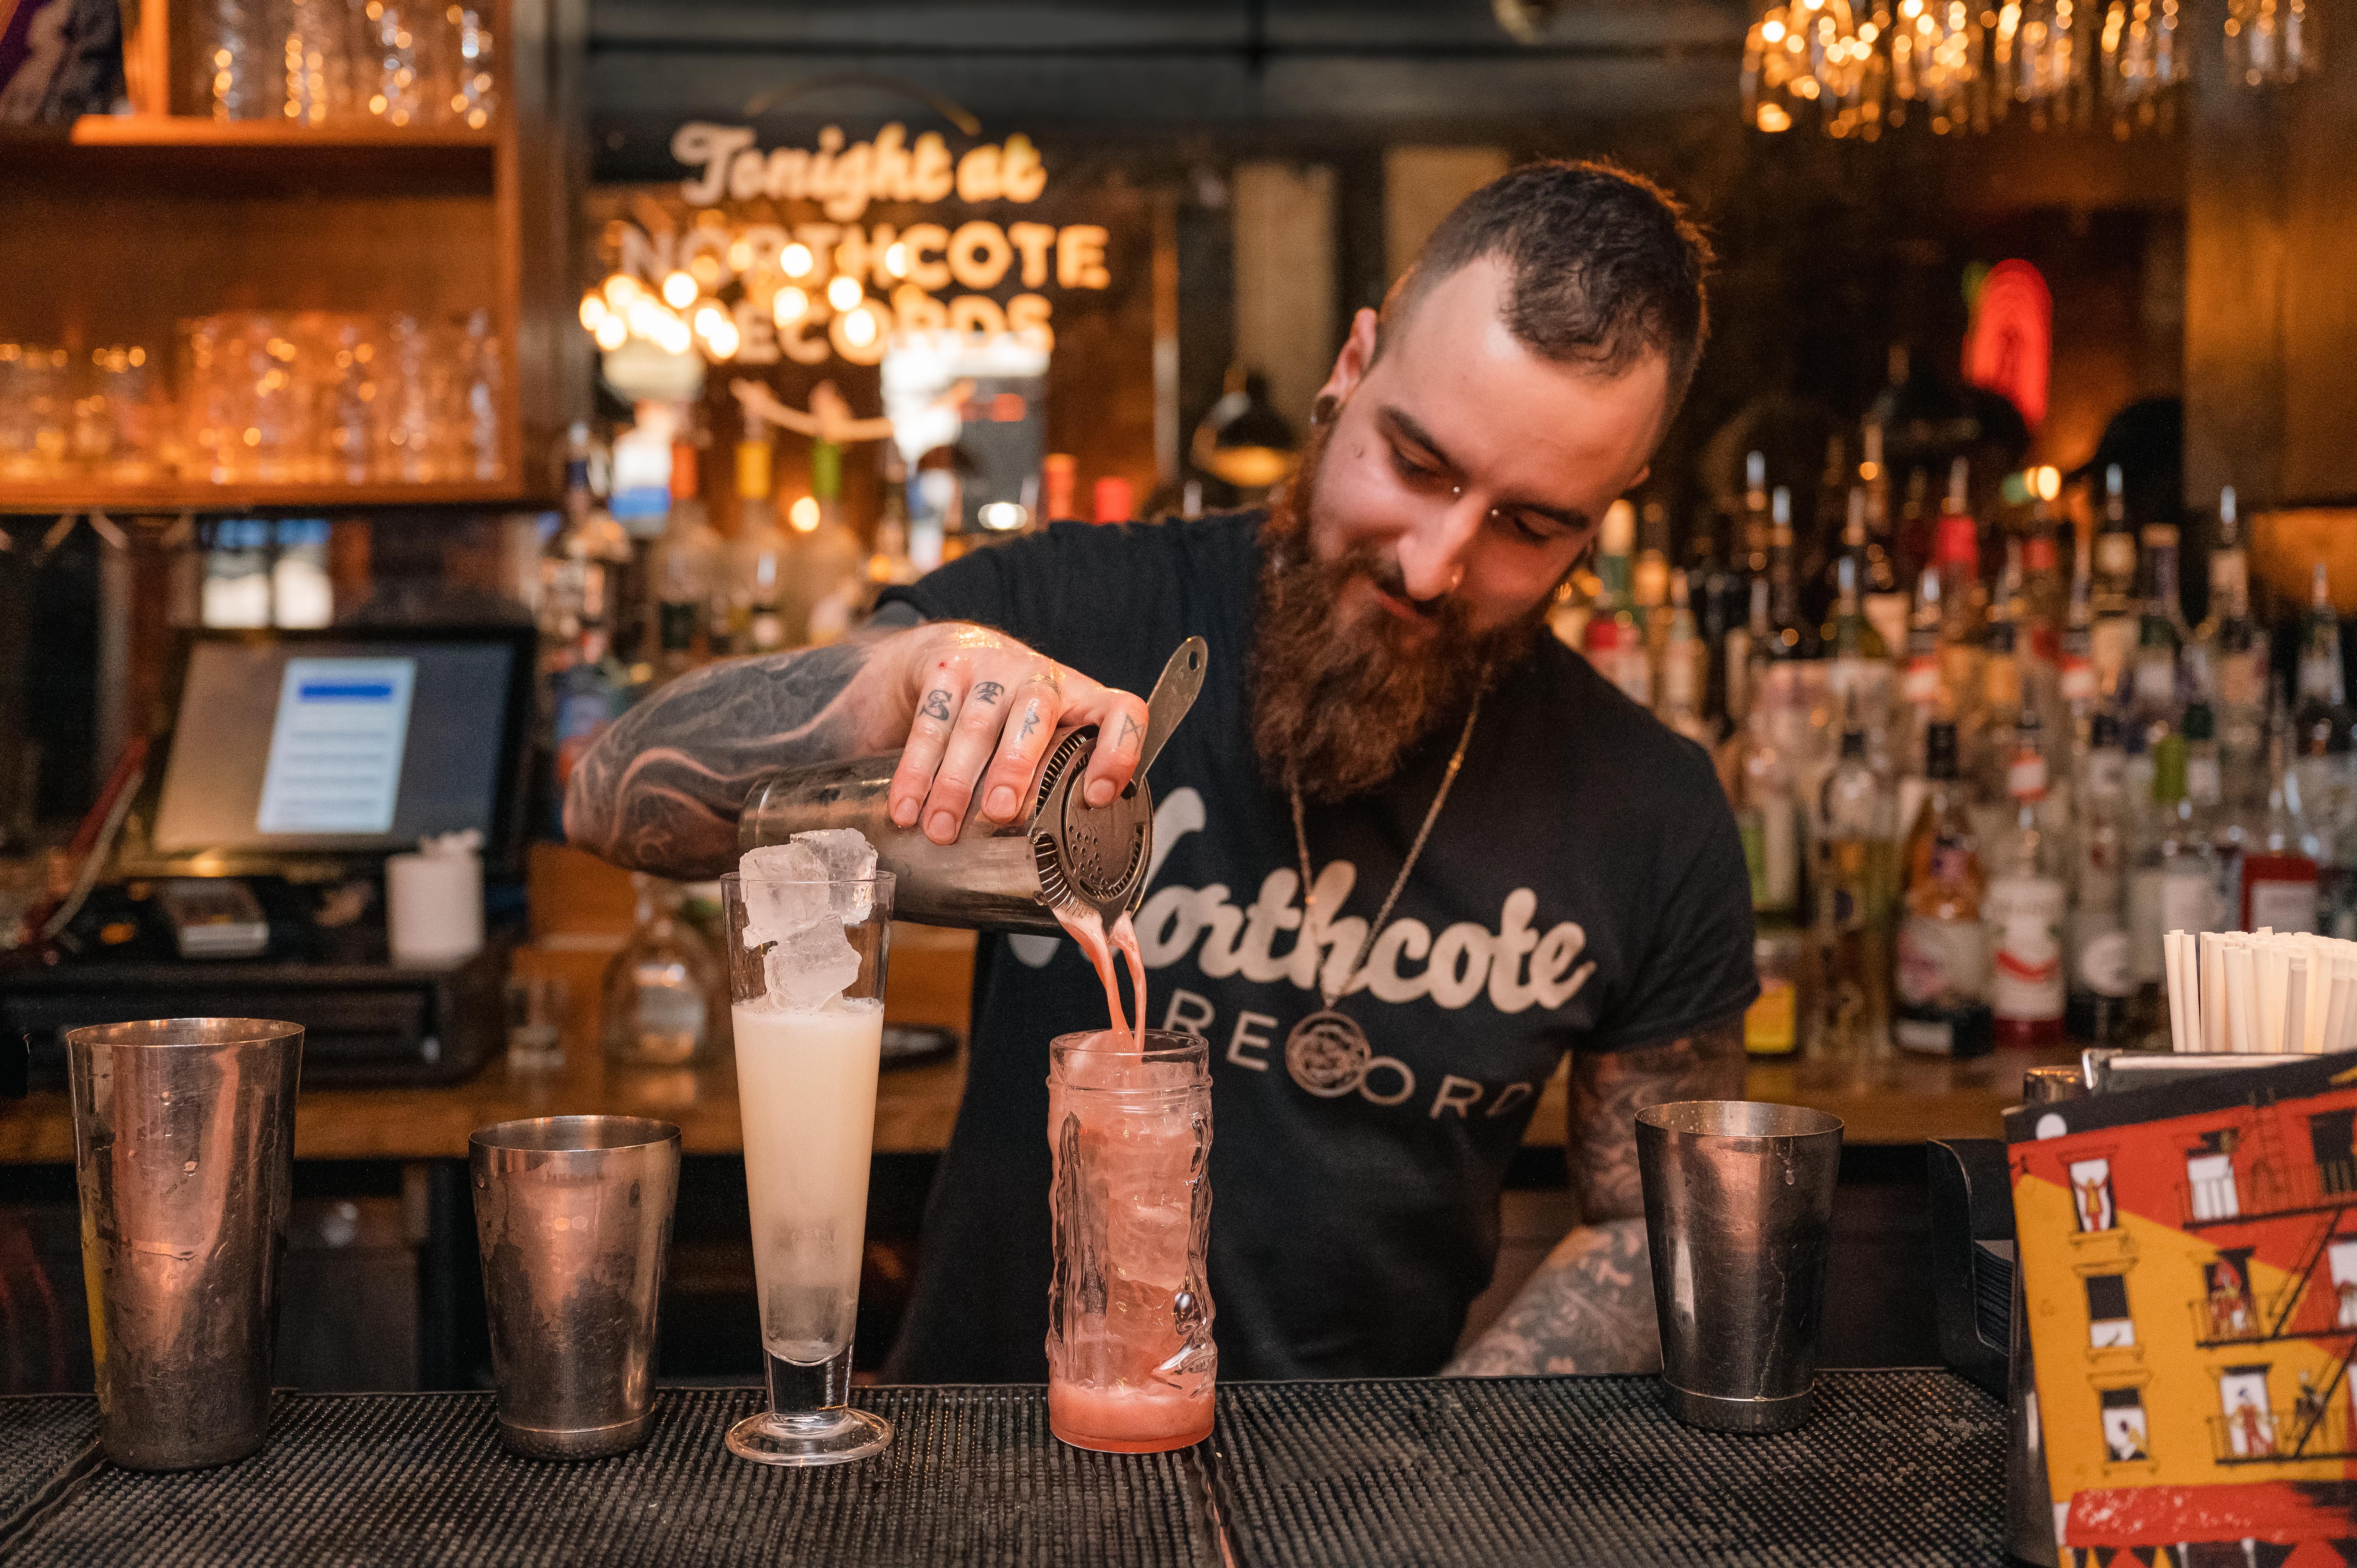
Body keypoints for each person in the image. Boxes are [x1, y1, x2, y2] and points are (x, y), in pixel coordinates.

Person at [565, 159, 1757, 1380]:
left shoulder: (1650, 812)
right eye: (1418, 464)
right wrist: (901, 673)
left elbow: (1645, 1223)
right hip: (979, 1457)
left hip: (1357, 1501)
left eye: (1531, 524)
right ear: (1350, 371)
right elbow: (614, 798)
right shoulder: (1072, 609)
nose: (1437, 563)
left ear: (1610, 509)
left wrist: (1439, 1462)